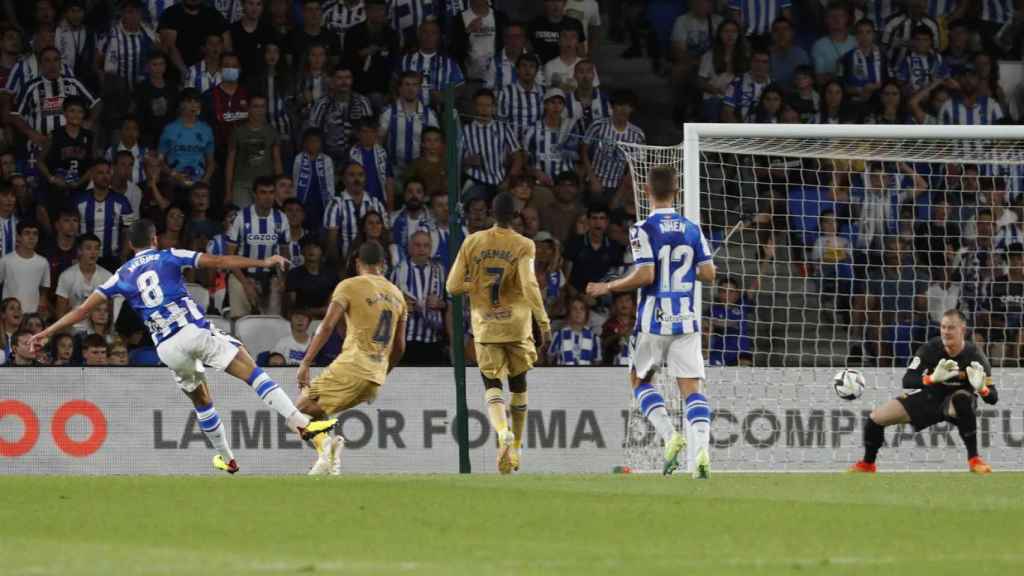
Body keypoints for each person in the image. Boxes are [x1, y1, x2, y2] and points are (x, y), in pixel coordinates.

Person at [30, 219, 337, 474]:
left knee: (200, 397)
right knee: (249, 369)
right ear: (154, 238)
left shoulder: (121, 275)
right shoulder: (168, 255)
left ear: (131, 245)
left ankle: (227, 459)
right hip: (191, 330)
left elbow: (81, 311)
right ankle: (303, 425)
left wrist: (47, 331)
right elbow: (218, 262)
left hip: (167, 347)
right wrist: (264, 261)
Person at [586, 165, 716, 478]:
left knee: (639, 381)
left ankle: (671, 436)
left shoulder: (642, 229)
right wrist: (689, 272)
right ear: (677, 192)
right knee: (692, 390)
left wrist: (607, 286)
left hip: (654, 321)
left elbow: (646, 275)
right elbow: (710, 274)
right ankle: (701, 455)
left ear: (647, 191)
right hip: (686, 318)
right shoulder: (692, 228)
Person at [446, 192, 552, 474]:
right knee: (519, 385)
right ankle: (515, 447)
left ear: (491, 213)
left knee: (492, 385)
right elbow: (529, 285)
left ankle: (502, 431)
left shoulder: (473, 241)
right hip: (517, 326)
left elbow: (452, 286)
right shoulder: (523, 244)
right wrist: (543, 321)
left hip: (486, 325)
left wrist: (476, 285)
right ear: (515, 216)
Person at [295, 240, 407, 475]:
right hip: (375, 375)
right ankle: (330, 460)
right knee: (317, 411)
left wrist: (306, 362)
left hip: (353, 364)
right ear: (383, 264)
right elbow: (400, 346)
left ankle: (328, 450)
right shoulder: (398, 295)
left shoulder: (349, 286)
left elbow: (326, 326)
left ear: (358, 263)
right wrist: (383, 373)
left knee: (296, 411)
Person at [850, 309, 999, 475]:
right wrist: (931, 379)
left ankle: (974, 460)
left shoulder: (975, 355)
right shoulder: (931, 348)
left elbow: (993, 398)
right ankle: (867, 465)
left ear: (962, 330)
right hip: (930, 396)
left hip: (956, 402)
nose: (945, 332)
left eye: (951, 327)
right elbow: (907, 380)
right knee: (876, 418)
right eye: (943, 327)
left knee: (961, 399)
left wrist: (982, 389)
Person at [0, 221, 50, 315]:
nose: (31, 237)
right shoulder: (6, 261)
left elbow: (44, 287)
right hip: (9, 314)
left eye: (35, 234)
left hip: (33, 315)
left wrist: (42, 303)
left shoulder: (43, 262)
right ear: (18, 237)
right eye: (27, 233)